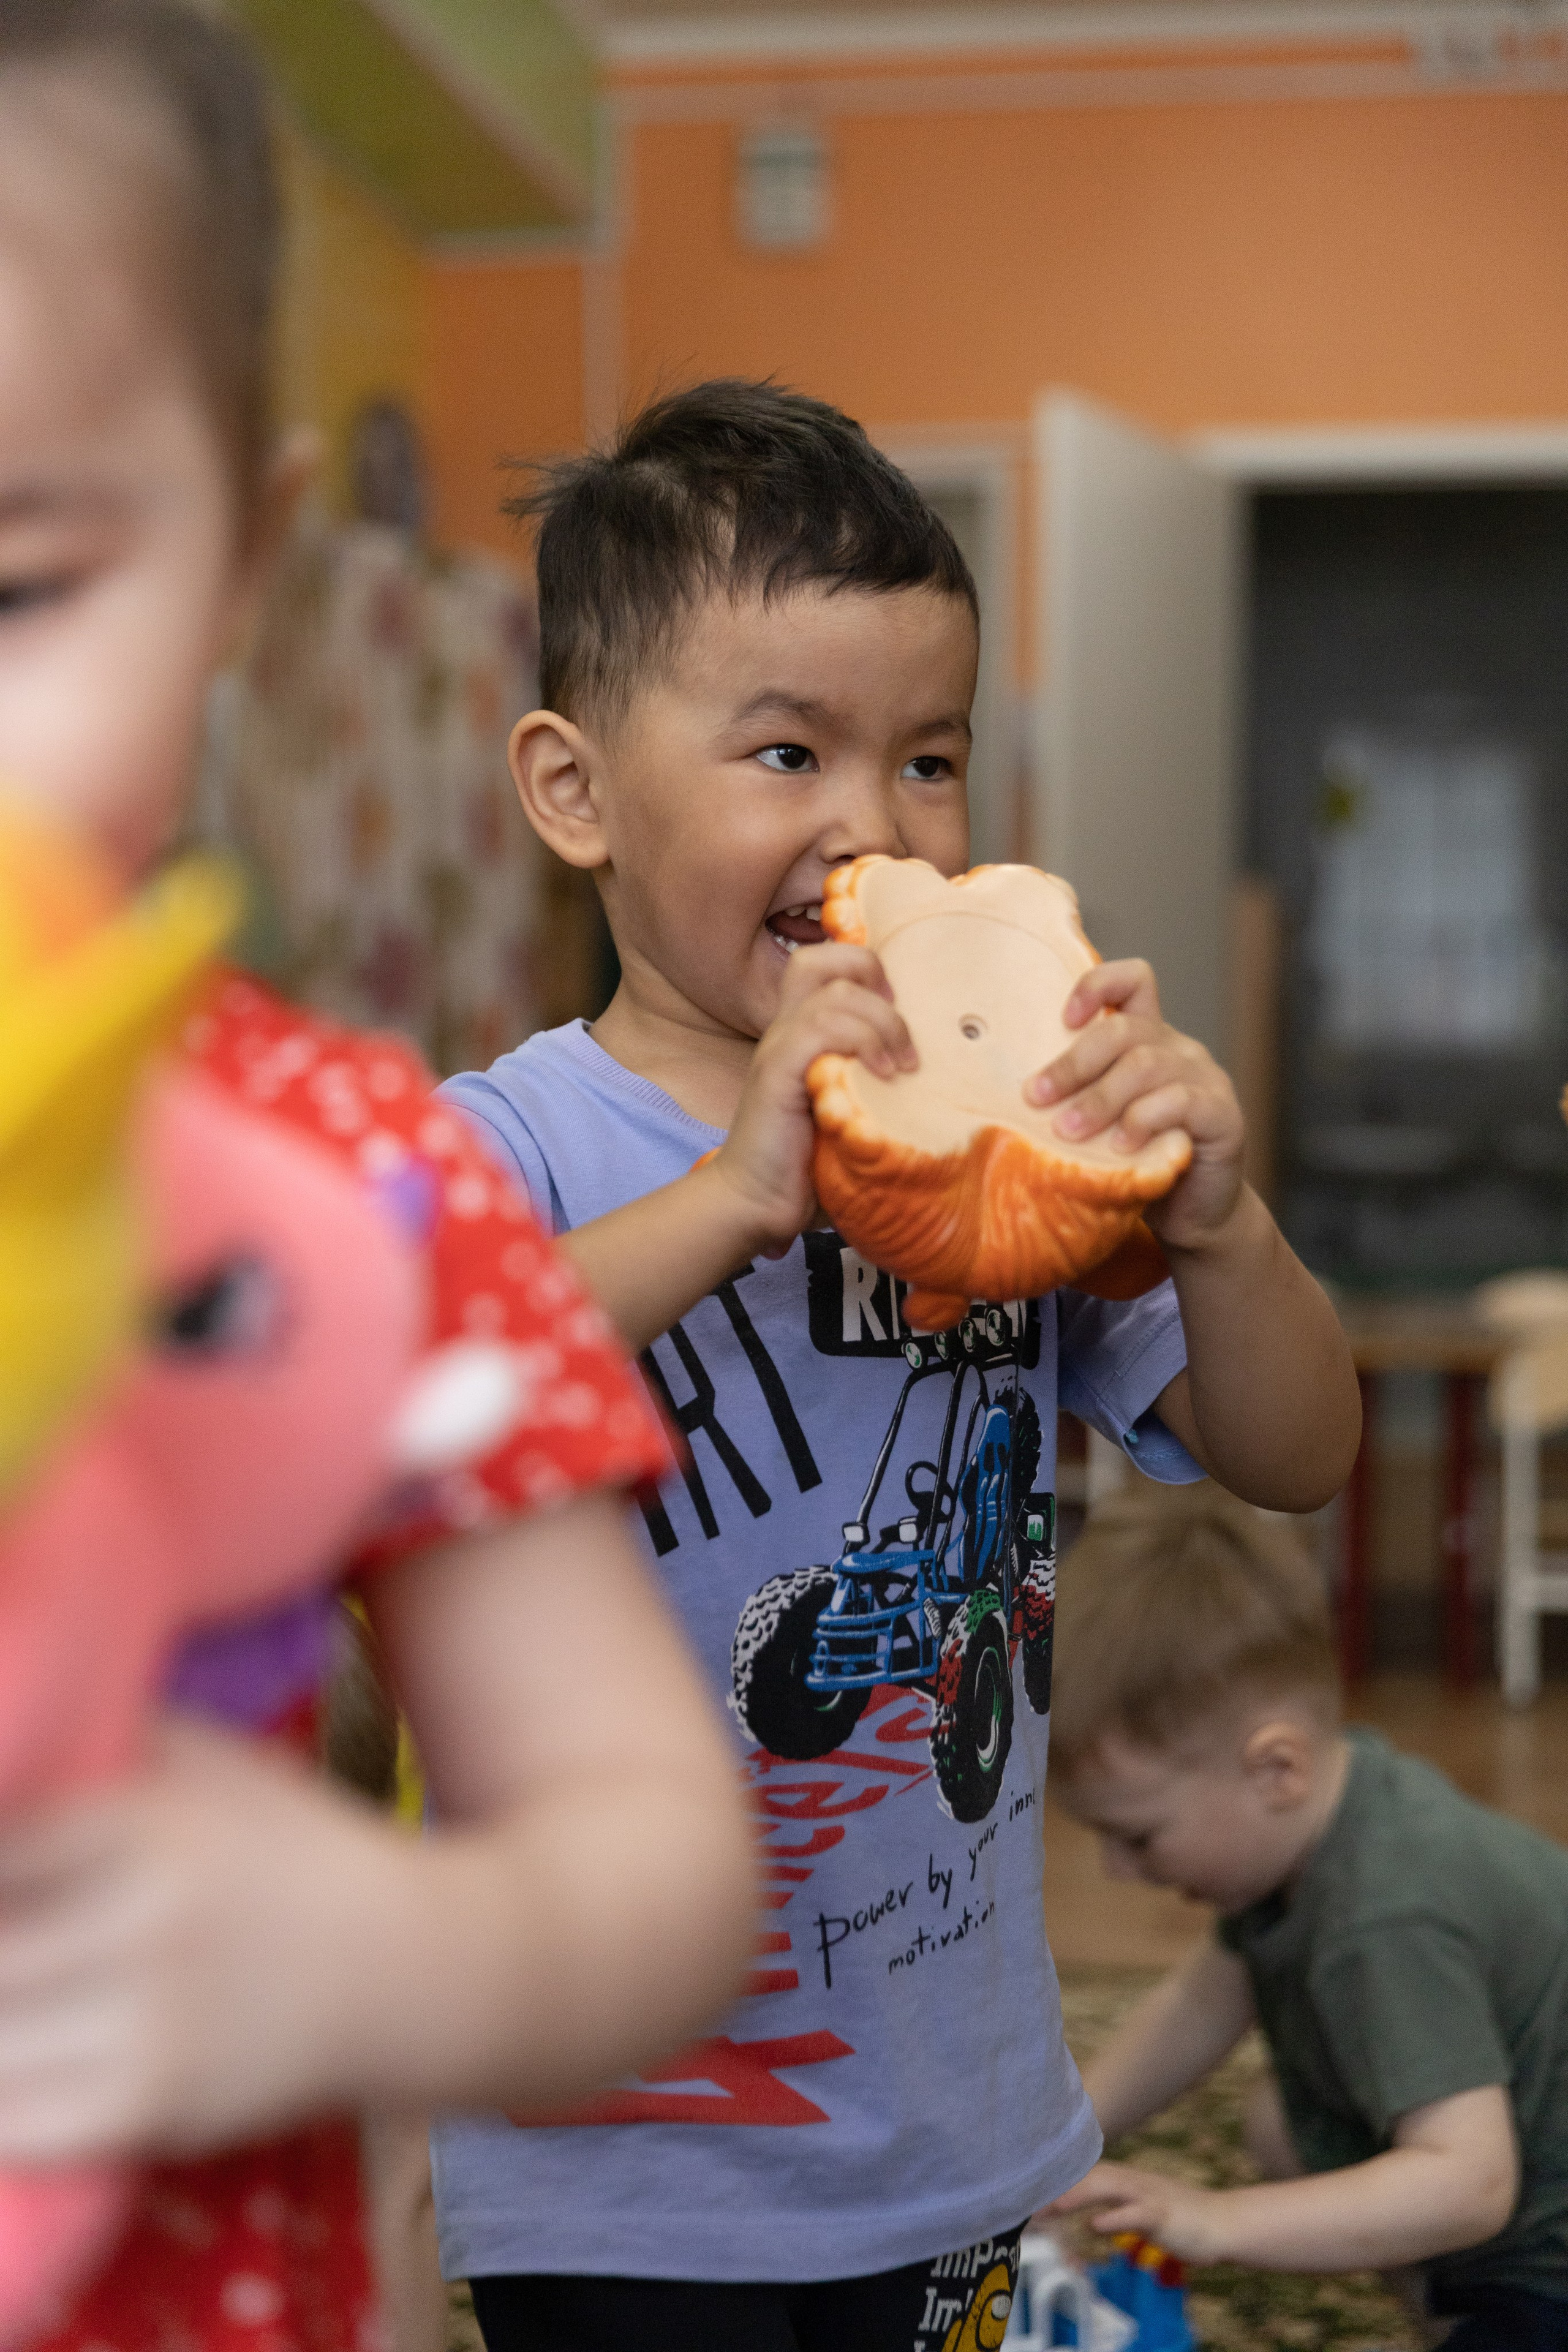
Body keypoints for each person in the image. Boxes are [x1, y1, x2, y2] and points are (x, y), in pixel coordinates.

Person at [436, 377, 1363, 2352]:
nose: (873, 826)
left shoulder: (1011, 1154)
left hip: (958, 2123)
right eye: (789, 749)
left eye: (930, 761)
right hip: (617, 2149)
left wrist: (1214, 1216)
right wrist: (735, 1198)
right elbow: (412, 1398)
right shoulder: (507, 1147)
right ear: (575, 790)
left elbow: (1297, 1450)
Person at [0, 8, 755, 2351]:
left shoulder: (358, 1183)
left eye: (14, 591)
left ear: (242, 560)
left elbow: (654, 1861)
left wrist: (371, 1949)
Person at [1046, 1482, 1568, 2351]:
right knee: (1283, 2122)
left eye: (1138, 1834)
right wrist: (1061, 2146)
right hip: (1518, 2191)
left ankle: (1471, 2309)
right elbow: (1199, 2006)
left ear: (1275, 1768)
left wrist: (1212, 2218)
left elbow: (1473, 2182)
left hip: (1545, 2256)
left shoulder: (1388, 1918)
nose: (1114, 1869)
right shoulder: (1327, 1810)